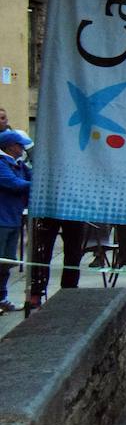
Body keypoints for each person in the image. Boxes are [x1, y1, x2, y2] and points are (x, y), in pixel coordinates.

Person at [0, 129, 33, 313]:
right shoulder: (2, 164)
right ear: (11, 146)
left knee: (7, 262)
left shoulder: (19, 164)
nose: (22, 148)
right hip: (2, 220)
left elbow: (33, 177)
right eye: (20, 145)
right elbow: (14, 184)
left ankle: (2, 297)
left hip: (13, 219)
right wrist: (35, 185)